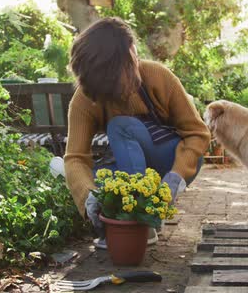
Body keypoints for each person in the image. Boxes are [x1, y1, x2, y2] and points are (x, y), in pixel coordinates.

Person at [60, 17, 210, 248]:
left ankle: (141, 219)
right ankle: (131, 222)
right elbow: (75, 158)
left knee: (120, 126)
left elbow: (197, 133)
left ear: (132, 55)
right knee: (98, 183)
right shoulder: (84, 100)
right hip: (131, 160)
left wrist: (176, 175)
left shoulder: (158, 76)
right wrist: (89, 195)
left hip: (169, 159)